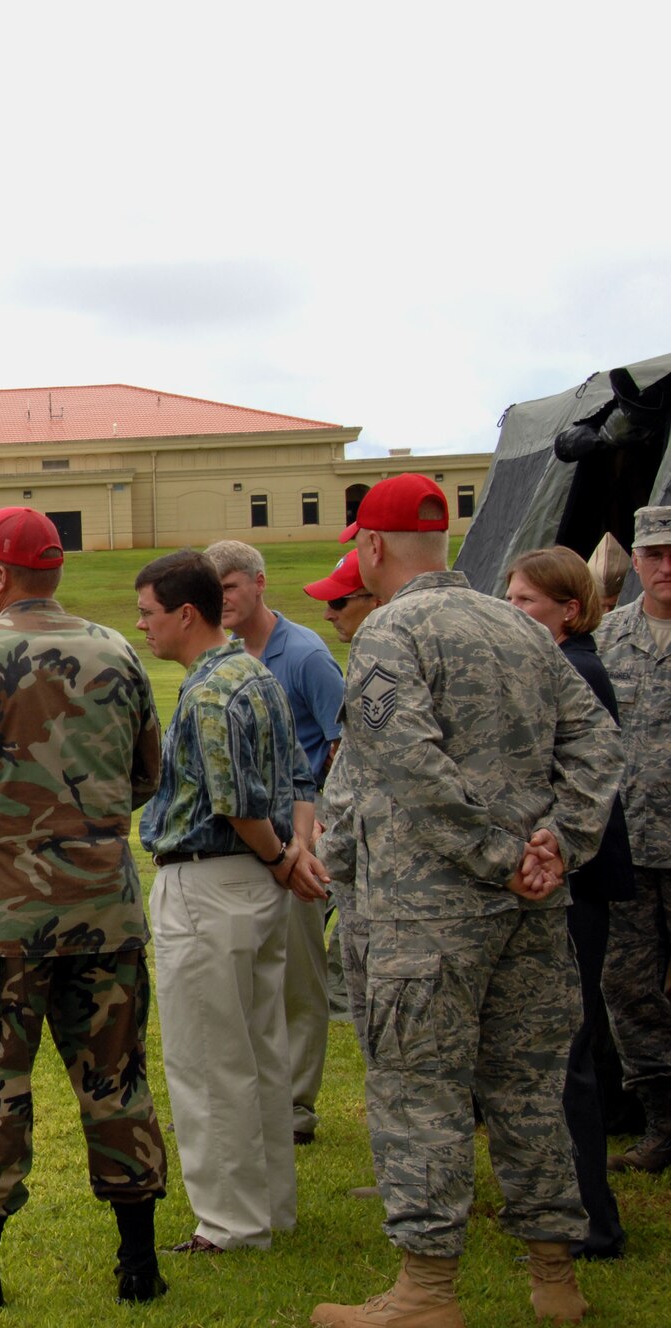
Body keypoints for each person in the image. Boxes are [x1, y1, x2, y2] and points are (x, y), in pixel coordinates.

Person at [311, 475, 618, 1328]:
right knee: (529, 1091)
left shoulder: (387, 634)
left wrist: (497, 854)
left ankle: (424, 1294)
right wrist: (559, 841)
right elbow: (597, 741)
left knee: (421, 1098)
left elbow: (403, 758)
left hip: (426, 920)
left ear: (370, 548)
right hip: (530, 912)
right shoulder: (520, 629)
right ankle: (556, 1279)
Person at [0, 508, 170, 1306]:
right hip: (105, 911)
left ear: (0, 575)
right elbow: (146, 774)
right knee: (117, 1082)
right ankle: (139, 1265)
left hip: (2, 919)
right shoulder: (118, 650)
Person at [134, 550, 324, 1256]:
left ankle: (231, 1224)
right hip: (255, 884)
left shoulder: (212, 689)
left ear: (186, 613)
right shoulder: (259, 673)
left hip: (210, 881)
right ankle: (270, 1207)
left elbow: (237, 800)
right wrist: (293, 853)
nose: (143, 627)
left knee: (211, 1059)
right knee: (260, 1051)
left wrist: (281, 855)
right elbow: (298, 777)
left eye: (149, 613)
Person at [506, 546, 631, 1259]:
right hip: (572, 879)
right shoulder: (565, 665)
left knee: (567, 1053)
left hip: (573, 883)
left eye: (527, 602)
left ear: (569, 610)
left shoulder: (573, 672)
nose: (514, 611)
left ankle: (591, 1221)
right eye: (511, 598)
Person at [208, 539, 344, 1147]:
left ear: (259, 583)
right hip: (247, 841)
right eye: (214, 592)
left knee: (299, 978)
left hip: (303, 837)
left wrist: (316, 838)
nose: (223, 600)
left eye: (231, 587)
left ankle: (296, 1107)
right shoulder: (225, 654)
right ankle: (258, 1098)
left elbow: (345, 743)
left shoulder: (306, 654)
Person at [596, 505, 671, 1175]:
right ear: (637, 562)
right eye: (654, 555)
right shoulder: (611, 637)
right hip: (630, 846)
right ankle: (660, 1122)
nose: (666, 566)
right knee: (629, 988)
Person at [304, 549, 384, 1029]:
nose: (329, 612)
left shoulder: (320, 658)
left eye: (340, 602)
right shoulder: (362, 654)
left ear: (372, 599)